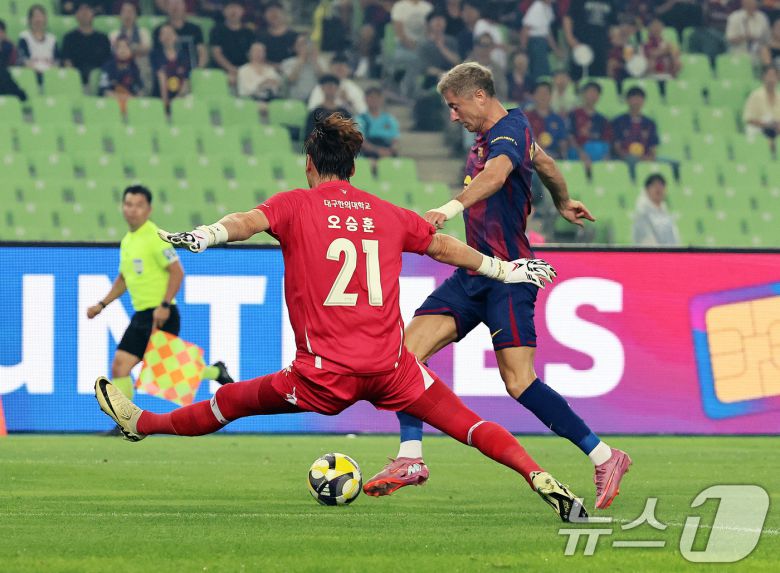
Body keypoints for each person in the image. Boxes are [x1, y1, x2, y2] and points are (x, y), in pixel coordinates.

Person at [94, 113, 587, 524]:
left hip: (324, 377)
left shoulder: (294, 205)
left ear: (310, 165)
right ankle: (537, 475)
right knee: (470, 425)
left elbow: (245, 223)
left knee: (231, 401)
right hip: (392, 369)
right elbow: (443, 246)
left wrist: (207, 235)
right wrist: (505, 268)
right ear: (351, 167)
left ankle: (144, 422)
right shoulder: (386, 212)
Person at [362, 62, 631, 511]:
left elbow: (499, 174)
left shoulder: (510, 128)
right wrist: (563, 200)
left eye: (455, 105)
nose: (452, 115)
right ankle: (411, 458)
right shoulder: (498, 137)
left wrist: (449, 207)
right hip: (475, 273)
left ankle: (605, 455)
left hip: (512, 274)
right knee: (403, 357)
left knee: (519, 382)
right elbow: (543, 162)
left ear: (480, 96)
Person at [86, 185, 234, 405]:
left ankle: (214, 372)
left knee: (161, 370)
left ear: (148, 209)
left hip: (161, 313)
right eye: (128, 204)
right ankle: (126, 423)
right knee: (121, 366)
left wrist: (164, 305)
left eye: (138, 205)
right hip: (142, 314)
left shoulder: (154, 237)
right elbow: (124, 278)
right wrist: (102, 304)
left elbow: (177, 271)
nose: (132, 210)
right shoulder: (128, 240)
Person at [563, 0, 618, 80]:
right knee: (578, 77)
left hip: (601, 47)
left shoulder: (610, 2)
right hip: (581, 46)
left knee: (599, 78)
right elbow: (568, 18)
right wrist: (570, 39)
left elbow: (613, 24)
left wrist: (612, 47)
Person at [62, 2, 112, 85]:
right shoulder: (69, 38)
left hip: (98, 80)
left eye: (87, 9)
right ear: (76, 15)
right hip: (77, 81)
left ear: (93, 14)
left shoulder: (102, 38)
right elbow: (67, 61)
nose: (84, 13)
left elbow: (107, 62)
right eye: (81, 10)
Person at [209, 1, 255, 87]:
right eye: (230, 7)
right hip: (222, 71)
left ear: (242, 11)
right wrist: (231, 69)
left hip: (244, 71)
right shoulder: (217, 30)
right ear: (224, 11)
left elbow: (251, 54)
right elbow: (216, 53)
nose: (233, 11)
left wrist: (244, 71)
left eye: (237, 8)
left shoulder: (249, 32)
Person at [611, 86, 659, 164]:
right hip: (625, 158)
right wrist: (630, 157)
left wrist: (649, 158)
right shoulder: (618, 121)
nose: (637, 101)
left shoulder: (650, 123)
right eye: (634, 98)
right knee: (632, 161)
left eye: (639, 98)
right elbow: (617, 147)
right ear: (627, 100)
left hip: (645, 158)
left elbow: (653, 147)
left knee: (673, 163)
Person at [568, 81, 613, 165]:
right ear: (583, 94)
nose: (592, 95)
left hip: (597, 152)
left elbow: (606, 141)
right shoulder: (574, 114)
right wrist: (581, 153)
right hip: (578, 151)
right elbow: (570, 137)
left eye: (595, 93)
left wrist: (605, 156)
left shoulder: (602, 119)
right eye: (590, 92)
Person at [153, 0, 207, 69]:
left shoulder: (195, 29)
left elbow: (202, 52)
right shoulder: (159, 30)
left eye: (178, 4)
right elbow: (156, 55)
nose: (175, 7)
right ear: (166, 7)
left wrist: (198, 70)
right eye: (171, 4)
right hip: (168, 71)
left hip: (193, 70)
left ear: (184, 6)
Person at [416, 12, 460, 93]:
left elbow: (457, 61)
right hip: (432, 78)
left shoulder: (451, 41)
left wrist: (442, 47)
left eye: (441, 19)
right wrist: (443, 74)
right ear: (428, 24)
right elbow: (426, 68)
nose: (439, 22)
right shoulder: (423, 44)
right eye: (435, 19)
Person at [525, 80, 569, 160]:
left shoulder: (558, 119)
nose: (543, 96)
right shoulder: (526, 117)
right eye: (540, 93)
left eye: (546, 93)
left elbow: (563, 142)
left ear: (551, 96)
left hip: (554, 158)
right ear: (534, 96)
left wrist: (562, 150)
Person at [633, 173, 681, 245]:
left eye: (661, 185)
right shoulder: (642, 214)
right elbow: (646, 242)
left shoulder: (667, 214)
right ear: (647, 190)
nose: (658, 188)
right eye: (654, 185)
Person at [151, 23, 191, 109]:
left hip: (179, 98)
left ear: (176, 36)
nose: (167, 36)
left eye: (170, 33)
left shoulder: (183, 56)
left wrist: (177, 100)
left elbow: (186, 81)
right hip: (160, 97)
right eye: (164, 34)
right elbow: (161, 79)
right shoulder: (155, 55)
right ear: (159, 38)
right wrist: (166, 104)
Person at [98, 37, 143, 110]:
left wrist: (133, 99)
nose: (123, 50)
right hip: (110, 106)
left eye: (126, 47)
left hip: (131, 106)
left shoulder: (134, 68)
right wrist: (122, 98)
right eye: (119, 47)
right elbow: (104, 91)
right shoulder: (107, 67)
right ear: (115, 50)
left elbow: (139, 91)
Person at [356, 86, 400, 159]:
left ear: (382, 99)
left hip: (387, 149)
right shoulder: (360, 119)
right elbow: (361, 141)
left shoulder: (389, 119)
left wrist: (390, 150)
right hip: (368, 151)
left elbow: (395, 139)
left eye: (377, 97)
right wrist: (377, 150)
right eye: (371, 97)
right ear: (365, 99)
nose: (374, 100)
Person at [280, 34, 328, 102]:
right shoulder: (288, 62)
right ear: (294, 47)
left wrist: (315, 61)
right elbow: (291, 80)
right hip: (296, 100)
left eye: (306, 44)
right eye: (301, 44)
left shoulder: (320, 61)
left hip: (316, 100)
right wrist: (301, 60)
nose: (305, 47)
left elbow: (325, 80)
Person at [17, 4, 60, 77]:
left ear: (45, 19)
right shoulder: (24, 37)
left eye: (40, 16)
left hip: (50, 75)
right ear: (30, 19)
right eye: (35, 16)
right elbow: (23, 60)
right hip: (31, 75)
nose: (38, 19)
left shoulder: (52, 39)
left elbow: (57, 61)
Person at [520, 0, 558, 81]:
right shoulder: (537, 7)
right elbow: (525, 29)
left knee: (546, 70)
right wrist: (523, 50)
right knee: (539, 72)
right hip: (535, 42)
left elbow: (547, 31)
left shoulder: (548, 7)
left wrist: (555, 49)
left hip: (543, 42)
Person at [304, 74, 351, 139]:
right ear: (322, 88)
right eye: (328, 86)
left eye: (334, 86)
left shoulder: (344, 113)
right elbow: (309, 136)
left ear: (337, 89)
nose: (331, 88)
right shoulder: (315, 113)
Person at [743, 65, 780, 143]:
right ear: (764, 77)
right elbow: (749, 119)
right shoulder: (755, 95)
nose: (771, 79)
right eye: (769, 75)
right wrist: (767, 124)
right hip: (760, 129)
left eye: (774, 76)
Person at [256, 2, 298, 66]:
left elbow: (299, 58)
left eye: (276, 11)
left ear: (284, 14)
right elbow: (256, 57)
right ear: (264, 16)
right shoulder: (260, 36)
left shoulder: (294, 36)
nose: (273, 14)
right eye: (270, 11)